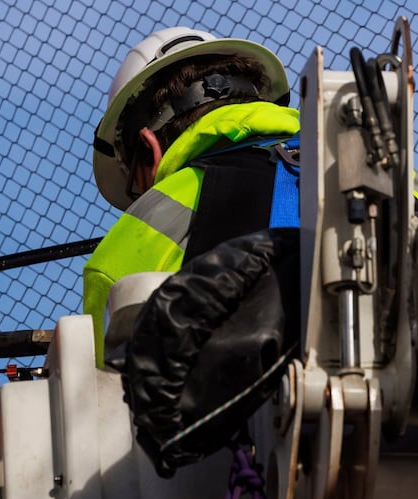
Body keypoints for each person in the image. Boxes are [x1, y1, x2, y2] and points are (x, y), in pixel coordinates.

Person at [83, 27, 300, 366]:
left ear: (148, 148)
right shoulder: (378, 168)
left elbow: (97, 400)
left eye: (135, 185)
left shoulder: (133, 239)